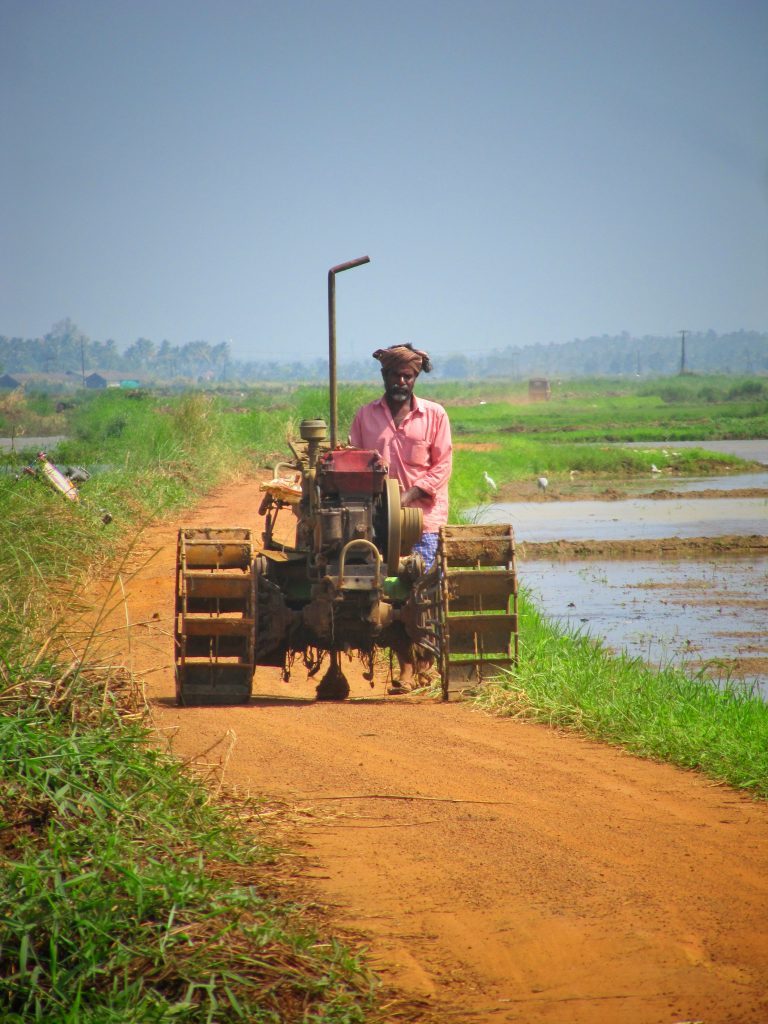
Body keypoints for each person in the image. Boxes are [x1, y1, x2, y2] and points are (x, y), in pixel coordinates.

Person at [349, 343, 452, 694]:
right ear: (384, 375)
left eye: (408, 376)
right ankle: (406, 666)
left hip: (424, 521)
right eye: (395, 375)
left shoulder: (435, 415)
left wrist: (407, 497)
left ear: (415, 378)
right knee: (385, 592)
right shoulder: (366, 417)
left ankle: (426, 664)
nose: (401, 382)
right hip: (377, 523)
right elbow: (354, 462)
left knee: (423, 591)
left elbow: (442, 466)